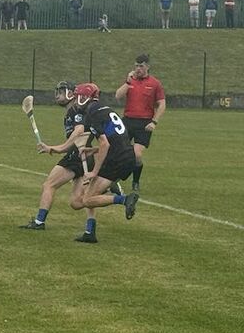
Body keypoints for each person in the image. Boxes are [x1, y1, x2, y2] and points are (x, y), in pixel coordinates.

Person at [21, 81, 102, 232]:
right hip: (85, 156)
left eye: (61, 92)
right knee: (79, 201)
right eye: (57, 92)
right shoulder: (75, 111)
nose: (57, 95)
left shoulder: (75, 110)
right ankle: (92, 228)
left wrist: (57, 148)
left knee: (49, 185)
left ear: (71, 94)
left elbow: (78, 132)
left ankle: (39, 222)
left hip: (76, 156)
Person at [64, 83, 140, 243]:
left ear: (87, 98)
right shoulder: (105, 109)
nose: (77, 101)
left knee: (86, 200)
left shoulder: (92, 113)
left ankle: (124, 199)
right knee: (83, 198)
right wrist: (95, 150)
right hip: (127, 156)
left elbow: (106, 143)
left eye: (80, 97)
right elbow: (114, 139)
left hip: (115, 159)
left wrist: (94, 172)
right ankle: (89, 233)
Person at [114, 54, 166, 194]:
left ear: (147, 67)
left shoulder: (155, 83)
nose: (138, 69)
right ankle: (113, 180)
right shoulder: (130, 81)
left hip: (144, 123)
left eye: (141, 66)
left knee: (136, 155)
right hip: (127, 120)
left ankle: (135, 181)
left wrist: (154, 122)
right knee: (118, 151)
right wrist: (127, 82)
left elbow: (162, 104)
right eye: (136, 66)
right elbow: (118, 96)